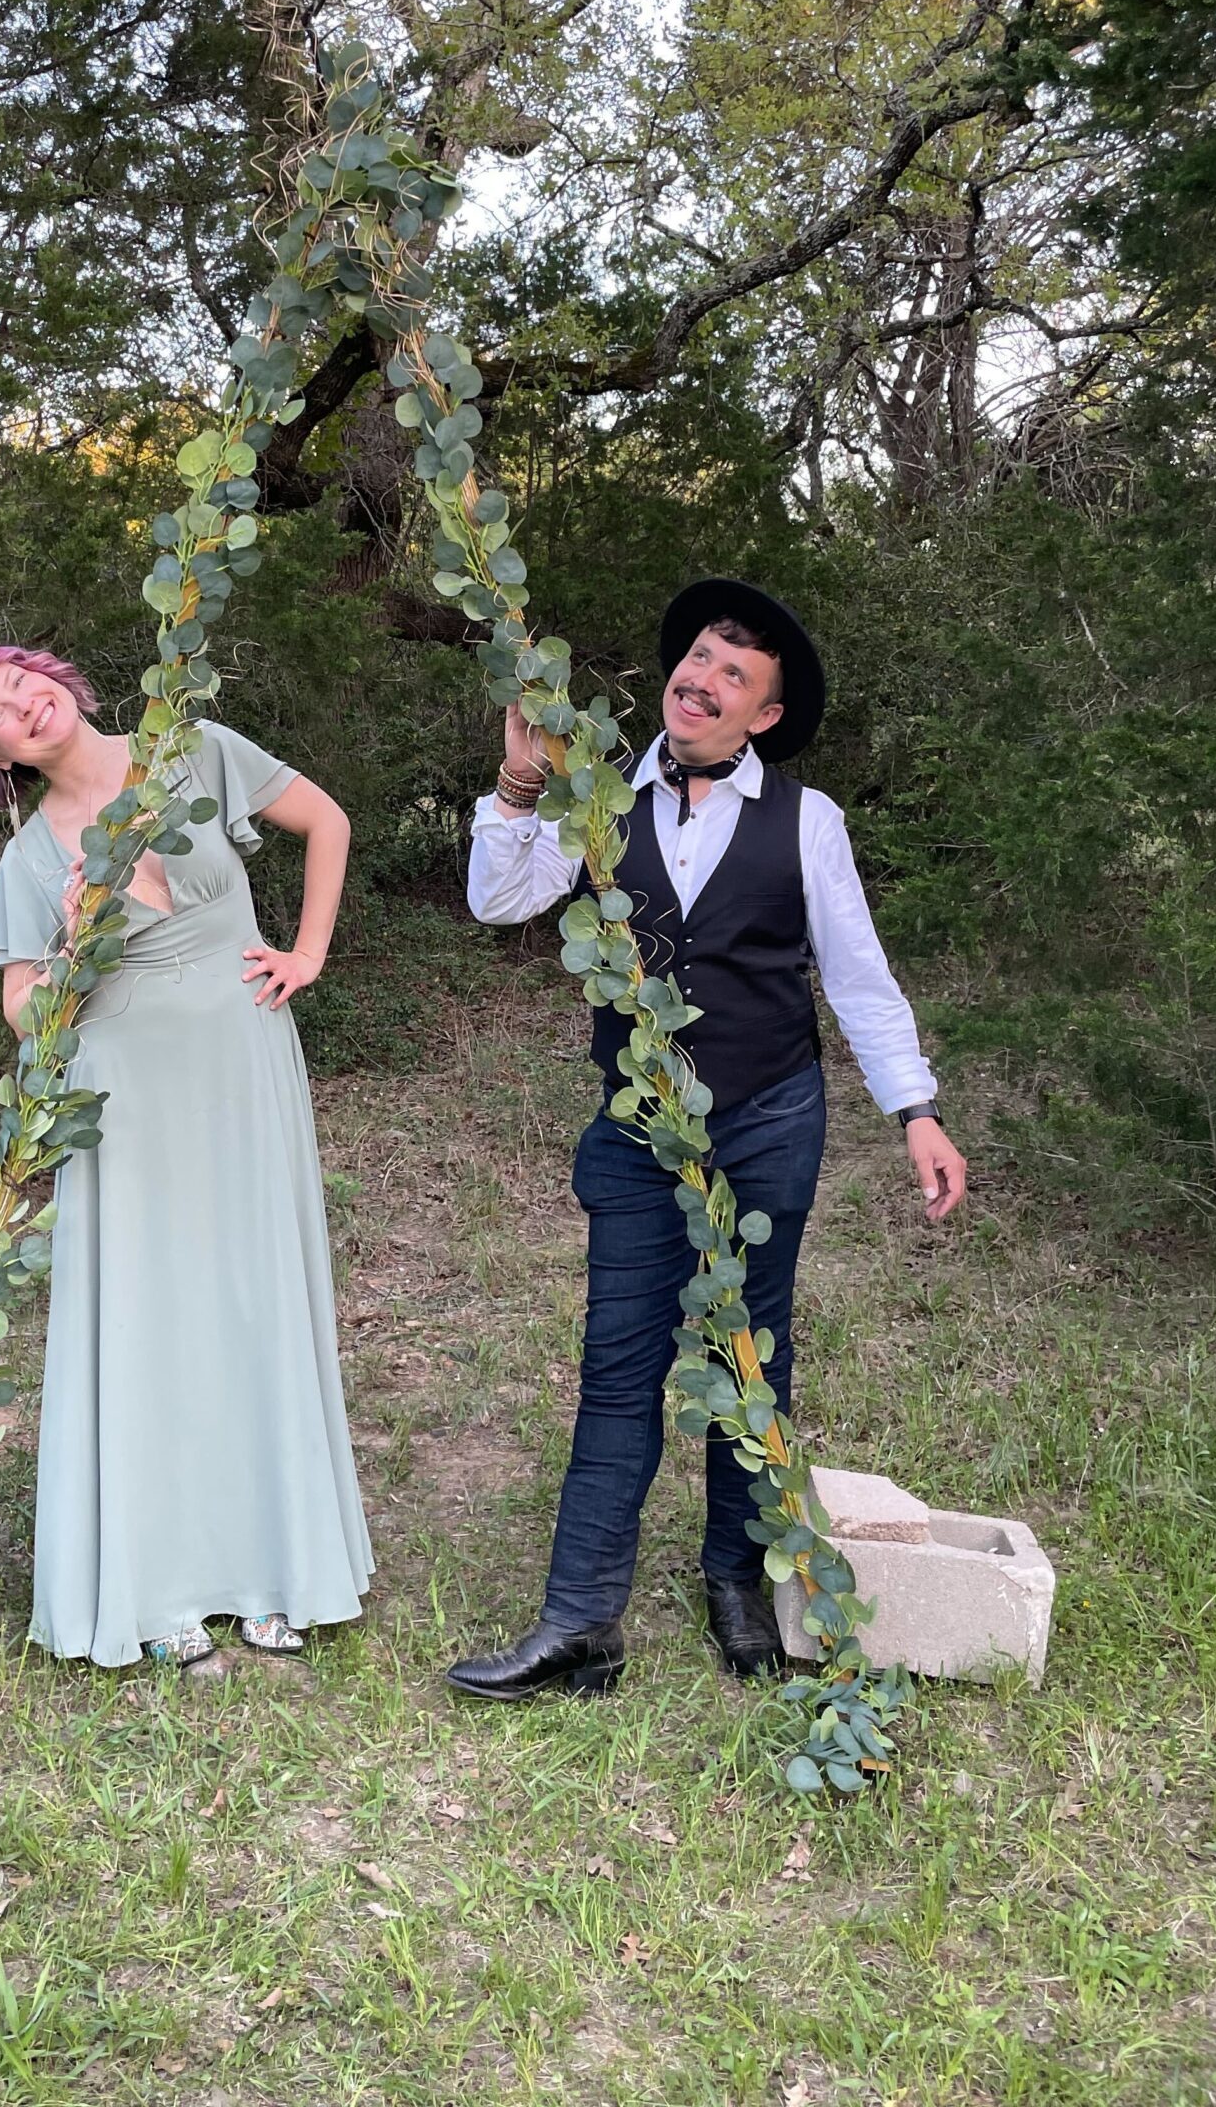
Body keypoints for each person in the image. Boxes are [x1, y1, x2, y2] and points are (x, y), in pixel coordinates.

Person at [445, 579, 967, 1700]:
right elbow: (499, 902)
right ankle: (581, 1623)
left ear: (763, 716)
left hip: (772, 1117)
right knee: (617, 1364)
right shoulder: (596, 801)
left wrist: (914, 1110)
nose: (703, 678)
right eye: (696, 657)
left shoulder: (807, 821)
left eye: (735, 673)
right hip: (638, 1132)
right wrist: (521, 779)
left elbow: (860, 982)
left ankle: (735, 1578)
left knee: (751, 1352)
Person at [0, 644, 373, 1670]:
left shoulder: (197, 751)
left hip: (243, 1059)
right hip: (123, 1095)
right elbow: (25, 1015)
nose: (22, 709)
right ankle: (163, 1579)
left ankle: (277, 1568)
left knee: (256, 1297)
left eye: (21, 684)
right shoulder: (30, 858)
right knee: (152, 1318)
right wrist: (80, 935)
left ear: (58, 677)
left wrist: (307, 953)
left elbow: (328, 821)